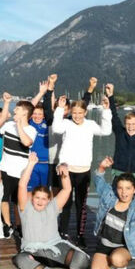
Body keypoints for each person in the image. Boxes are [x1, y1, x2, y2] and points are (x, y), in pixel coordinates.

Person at [13, 153, 90, 269]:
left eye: (44, 198)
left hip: (55, 249)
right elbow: (22, 185)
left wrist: (64, 174)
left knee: (81, 260)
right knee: (20, 260)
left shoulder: (53, 207)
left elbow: (67, 189)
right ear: (32, 198)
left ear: (49, 200)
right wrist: (31, 164)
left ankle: (45, 266)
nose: (40, 201)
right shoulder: (25, 207)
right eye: (37, 198)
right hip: (33, 251)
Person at [52, 95, 112, 247]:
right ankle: (63, 232)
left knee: (81, 205)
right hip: (66, 170)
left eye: (80, 113)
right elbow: (56, 128)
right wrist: (59, 108)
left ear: (85, 112)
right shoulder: (65, 123)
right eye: (74, 113)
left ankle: (80, 235)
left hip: (84, 171)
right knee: (65, 203)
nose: (77, 116)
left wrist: (106, 110)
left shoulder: (91, 125)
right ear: (71, 112)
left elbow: (106, 131)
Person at [0, 99, 37, 238]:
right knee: (3, 198)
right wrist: (6, 105)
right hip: (5, 168)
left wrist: (19, 125)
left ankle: (19, 225)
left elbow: (26, 142)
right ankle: (7, 225)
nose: (15, 111)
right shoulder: (8, 125)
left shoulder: (31, 130)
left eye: (18, 109)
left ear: (25, 113)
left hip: (21, 171)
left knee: (18, 201)